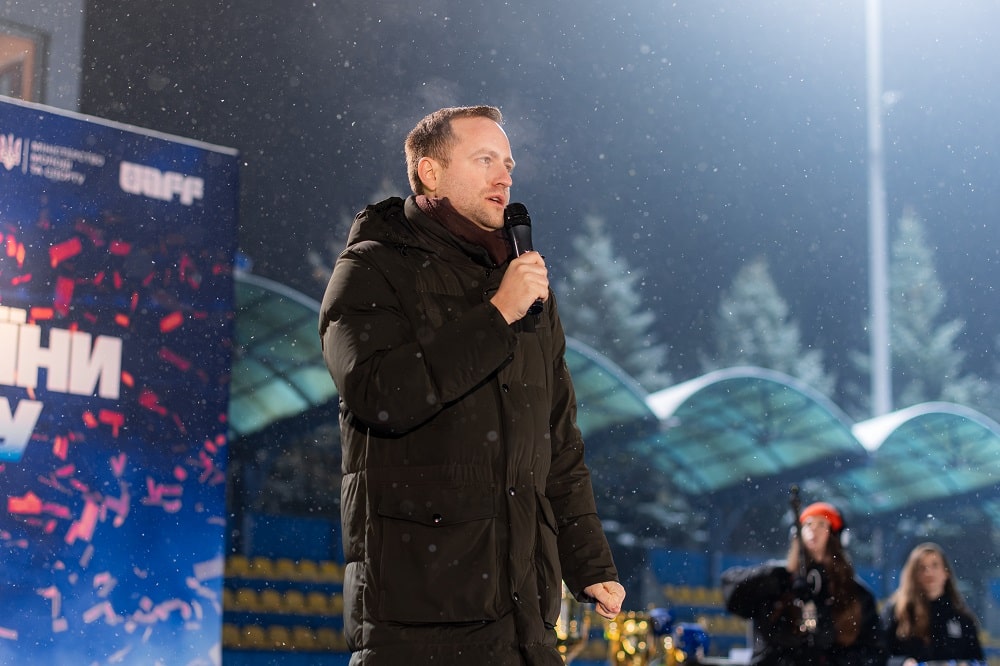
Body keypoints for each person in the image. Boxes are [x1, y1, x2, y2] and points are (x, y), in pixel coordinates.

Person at [318, 105, 625, 665]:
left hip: (527, 624)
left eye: (508, 163)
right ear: (430, 172)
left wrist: (588, 562)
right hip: (421, 624)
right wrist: (495, 315)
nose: (504, 175)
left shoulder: (526, 287)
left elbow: (558, 441)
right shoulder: (372, 268)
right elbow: (378, 394)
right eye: (485, 159)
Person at [721, 501, 885, 666]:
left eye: (822, 524)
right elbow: (732, 594)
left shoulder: (853, 593)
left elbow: (874, 651)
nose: (813, 530)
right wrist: (777, 578)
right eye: (808, 524)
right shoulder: (777, 580)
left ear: (836, 536)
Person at [882, 542, 985, 666]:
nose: (928, 572)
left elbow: (977, 660)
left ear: (946, 572)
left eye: (935, 565)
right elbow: (878, 655)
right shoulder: (896, 611)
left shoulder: (962, 618)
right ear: (913, 574)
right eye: (922, 567)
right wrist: (902, 662)